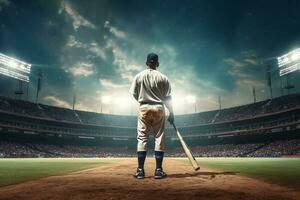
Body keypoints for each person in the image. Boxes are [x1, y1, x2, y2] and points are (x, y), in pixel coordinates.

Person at [129, 53, 174, 179]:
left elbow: (133, 94)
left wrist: (142, 100)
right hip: (159, 107)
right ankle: (158, 170)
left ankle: (140, 170)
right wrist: (172, 112)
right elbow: (168, 98)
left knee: (142, 137)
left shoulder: (138, 76)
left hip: (143, 107)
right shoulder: (163, 78)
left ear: (146, 62)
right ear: (157, 63)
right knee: (159, 137)